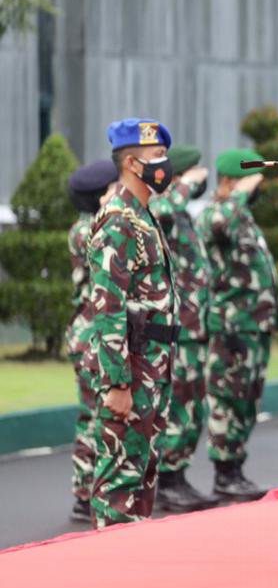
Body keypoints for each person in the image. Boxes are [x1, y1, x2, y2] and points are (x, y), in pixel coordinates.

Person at [85, 118, 179, 527]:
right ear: (130, 163)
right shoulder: (120, 219)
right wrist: (117, 384)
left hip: (151, 368)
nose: (164, 164)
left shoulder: (143, 216)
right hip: (132, 372)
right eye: (156, 156)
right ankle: (104, 578)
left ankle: (127, 577)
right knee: (118, 485)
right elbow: (107, 309)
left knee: (141, 478)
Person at [200, 148, 278, 502]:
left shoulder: (243, 217)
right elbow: (218, 225)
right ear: (232, 181)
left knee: (247, 399)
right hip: (231, 325)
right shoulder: (217, 213)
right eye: (252, 181)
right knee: (227, 398)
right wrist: (241, 193)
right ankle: (224, 473)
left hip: (254, 324)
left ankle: (236, 469)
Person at [149, 144, 218, 512]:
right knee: (181, 404)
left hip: (196, 325)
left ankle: (179, 474)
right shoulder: (164, 207)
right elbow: (161, 207)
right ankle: (168, 479)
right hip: (181, 326)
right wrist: (184, 186)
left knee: (193, 405)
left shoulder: (184, 216)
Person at [64, 158, 118, 523]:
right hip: (92, 332)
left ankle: (85, 490)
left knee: (92, 414)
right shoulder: (92, 229)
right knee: (97, 415)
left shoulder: (84, 226)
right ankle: (87, 492)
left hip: (84, 330)